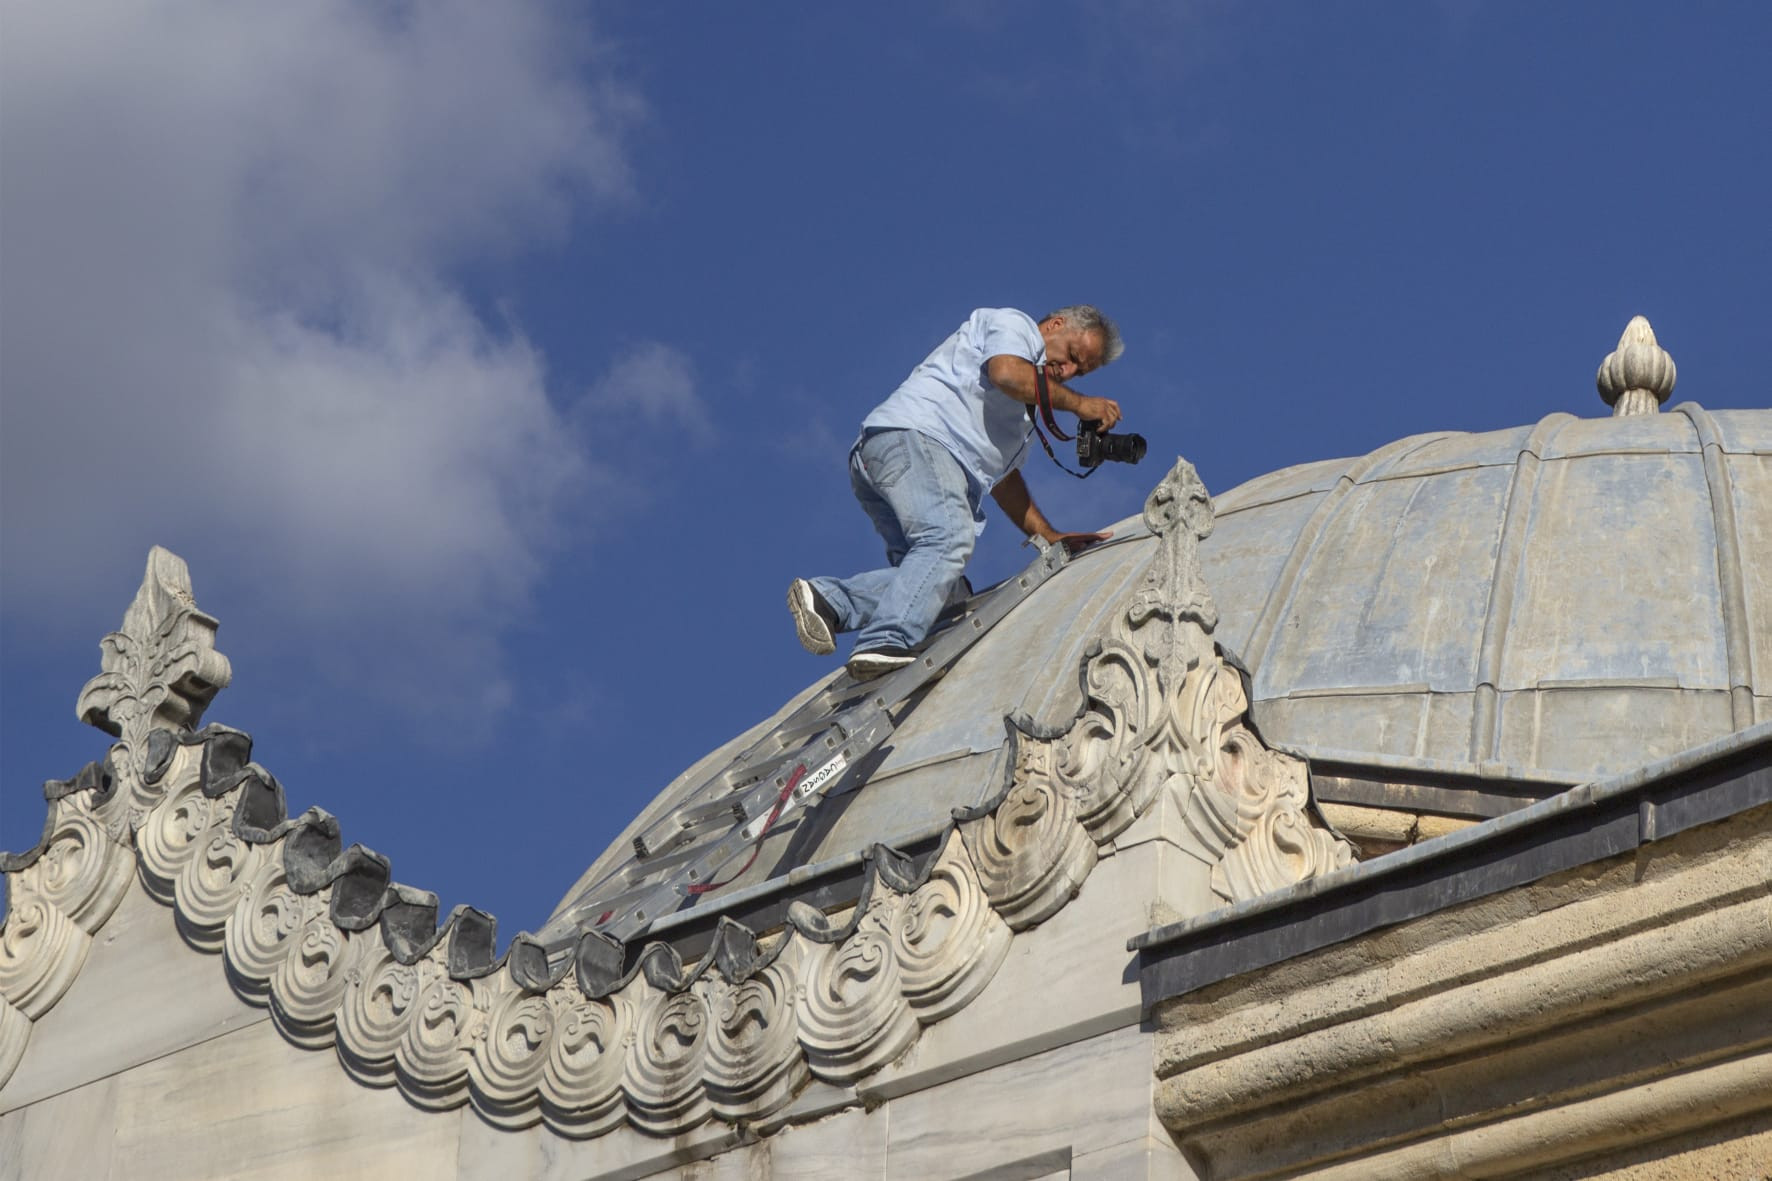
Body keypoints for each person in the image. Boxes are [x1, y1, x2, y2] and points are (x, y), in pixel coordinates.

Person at [789, 305, 1125, 679]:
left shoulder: (1022, 412)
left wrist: (1048, 535)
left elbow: (1003, 480)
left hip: (895, 457)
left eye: (1083, 371)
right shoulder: (1015, 326)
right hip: (918, 442)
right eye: (1074, 357)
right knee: (948, 539)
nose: (1071, 372)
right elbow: (1006, 373)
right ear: (1056, 324)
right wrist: (1080, 405)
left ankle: (829, 601)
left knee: (942, 593)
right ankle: (885, 641)